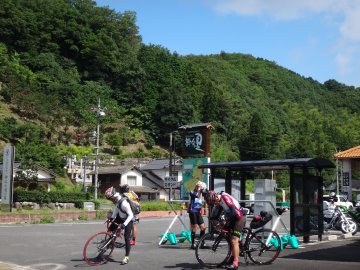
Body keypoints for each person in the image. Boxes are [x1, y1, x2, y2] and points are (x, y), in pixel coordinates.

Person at [205, 190, 246, 270]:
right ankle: (232, 257)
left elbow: (234, 212)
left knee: (234, 240)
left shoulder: (225, 197)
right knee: (227, 234)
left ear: (215, 197)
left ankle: (235, 263)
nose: (215, 204)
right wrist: (212, 218)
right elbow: (218, 213)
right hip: (234, 218)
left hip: (239, 218)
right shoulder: (219, 200)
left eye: (214, 201)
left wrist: (225, 219)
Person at [104, 186, 134, 265]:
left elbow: (131, 215)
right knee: (110, 229)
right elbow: (116, 209)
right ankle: (111, 243)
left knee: (127, 238)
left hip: (128, 219)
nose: (110, 200)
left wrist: (124, 225)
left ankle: (126, 257)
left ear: (113, 197)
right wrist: (111, 218)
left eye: (110, 199)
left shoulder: (124, 203)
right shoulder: (117, 200)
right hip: (120, 217)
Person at [188, 181, 207, 249]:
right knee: (194, 228)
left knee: (203, 227)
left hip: (198, 212)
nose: (202, 188)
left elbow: (206, 194)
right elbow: (197, 196)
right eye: (200, 187)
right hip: (192, 211)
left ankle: (202, 242)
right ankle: (193, 244)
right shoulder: (192, 191)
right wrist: (199, 188)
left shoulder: (201, 192)